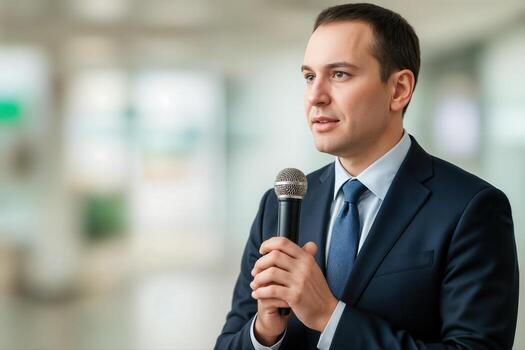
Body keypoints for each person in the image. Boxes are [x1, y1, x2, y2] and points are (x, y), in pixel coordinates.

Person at [215, 3, 519, 350]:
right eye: (309, 76)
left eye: (340, 74)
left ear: (399, 89)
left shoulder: (470, 208)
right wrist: (264, 332)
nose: (315, 96)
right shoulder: (280, 202)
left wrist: (331, 318)